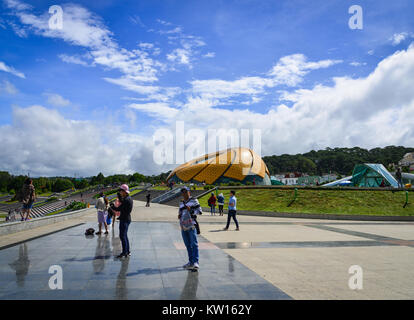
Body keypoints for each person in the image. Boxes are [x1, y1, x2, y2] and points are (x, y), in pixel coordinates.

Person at [179, 187, 202, 270]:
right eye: (182, 192)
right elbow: (180, 212)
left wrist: (191, 210)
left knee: (194, 244)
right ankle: (190, 261)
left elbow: (199, 211)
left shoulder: (194, 200)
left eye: (185, 192)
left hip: (191, 225)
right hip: (183, 226)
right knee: (188, 245)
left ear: (189, 192)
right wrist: (179, 215)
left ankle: (196, 262)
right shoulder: (181, 203)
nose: (184, 194)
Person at [111, 184, 133, 259]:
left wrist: (112, 206)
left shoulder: (126, 200)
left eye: (121, 190)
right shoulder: (128, 198)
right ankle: (127, 251)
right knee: (124, 236)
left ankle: (124, 252)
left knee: (122, 236)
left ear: (124, 191)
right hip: (126, 218)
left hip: (124, 219)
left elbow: (118, 209)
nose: (120, 192)